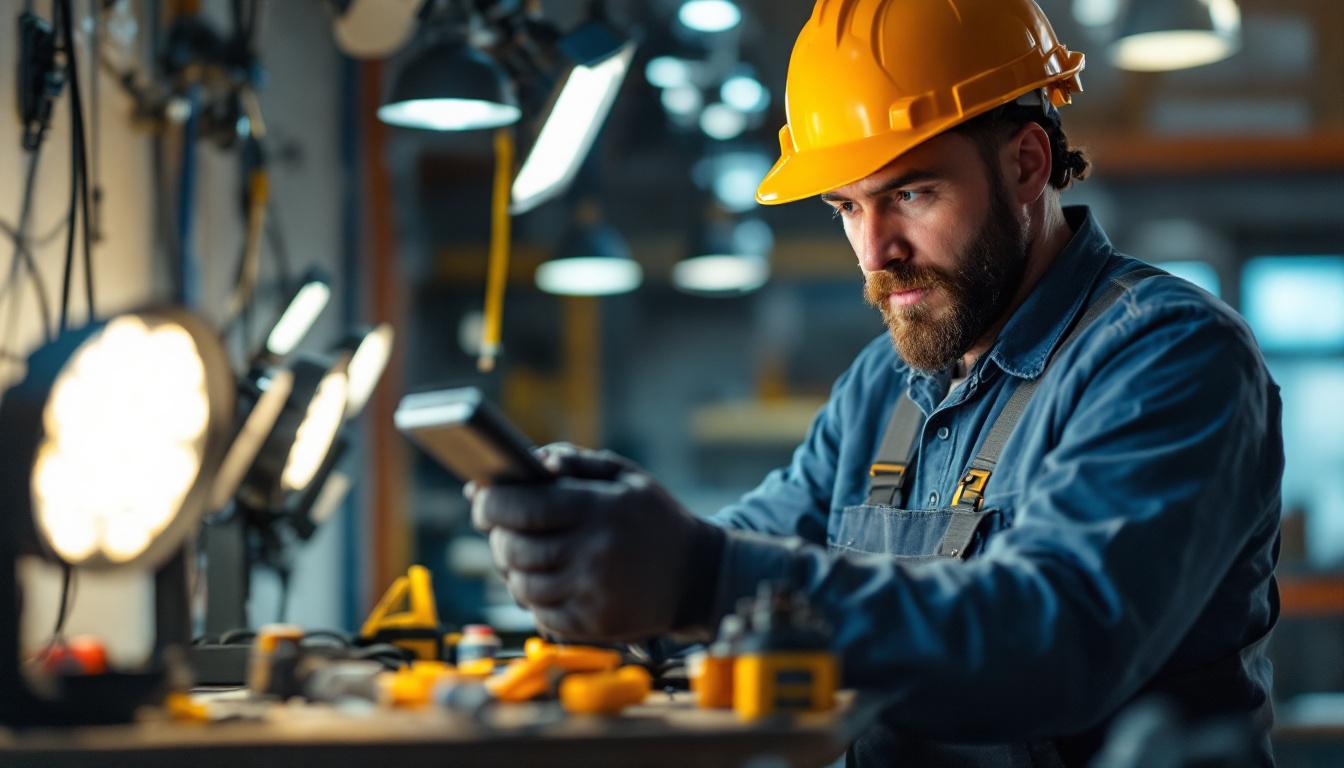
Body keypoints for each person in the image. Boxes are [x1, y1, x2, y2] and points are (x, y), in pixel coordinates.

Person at [471, 0, 1283, 764]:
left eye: (910, 193)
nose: (874, 250)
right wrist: (609, 564)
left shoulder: (1166, 355)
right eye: (847, 208)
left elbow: (1059, 639)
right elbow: (764, 542)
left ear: (1028, 164)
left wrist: (693, 575)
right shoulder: (884, 385)